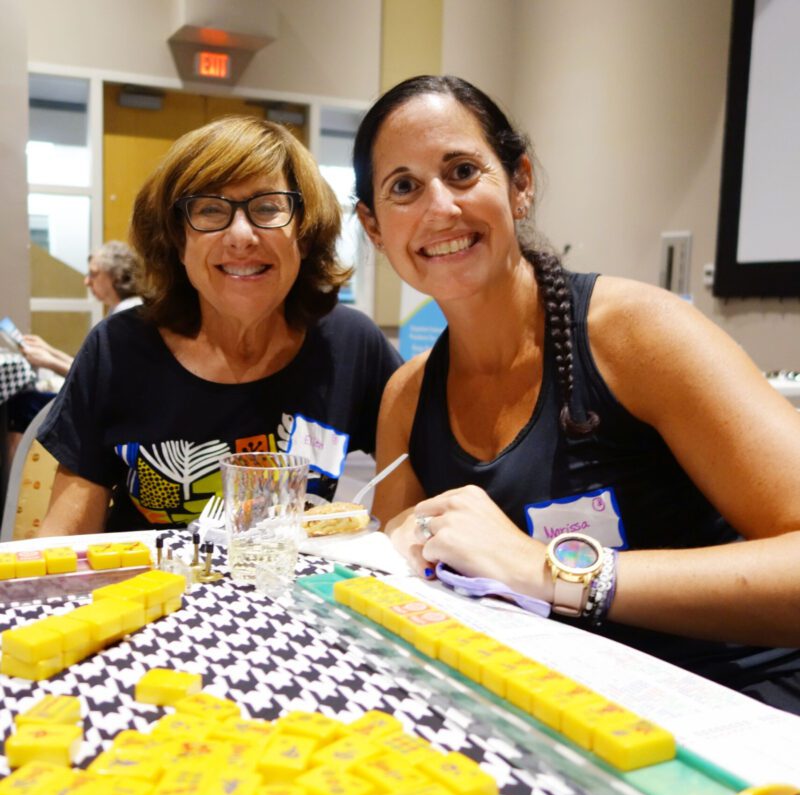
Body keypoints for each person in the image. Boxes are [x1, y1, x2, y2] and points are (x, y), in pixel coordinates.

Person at [353, 75, 800, 712]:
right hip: (553, 712)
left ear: (520, 183)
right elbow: (408, 594)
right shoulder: (407, 396)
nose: (439, 209)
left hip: (736, 711)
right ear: (374, 226)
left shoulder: (636, 335)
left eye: (461, 171)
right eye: (403, 187)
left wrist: (554, 572)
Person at [35, 115, 401, 534]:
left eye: (267, 207)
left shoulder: (350, 344)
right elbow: (63, 540)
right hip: (144, 594)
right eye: (210, 210)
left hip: (286, 594)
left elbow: (421, 469)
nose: (241, 235)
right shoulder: (118, 348)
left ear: (303, 230)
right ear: (177, 239)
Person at [5, 241, 143, 446]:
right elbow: (89, 365)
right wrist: (47, 351)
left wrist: (48, 361)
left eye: (94, 274)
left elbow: (96, 378)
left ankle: (13, 478)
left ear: (117, 275)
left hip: (108, 409)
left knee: (23, 404)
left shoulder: (125, 318)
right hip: (111, 404)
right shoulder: (125, 310)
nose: (87, 282)